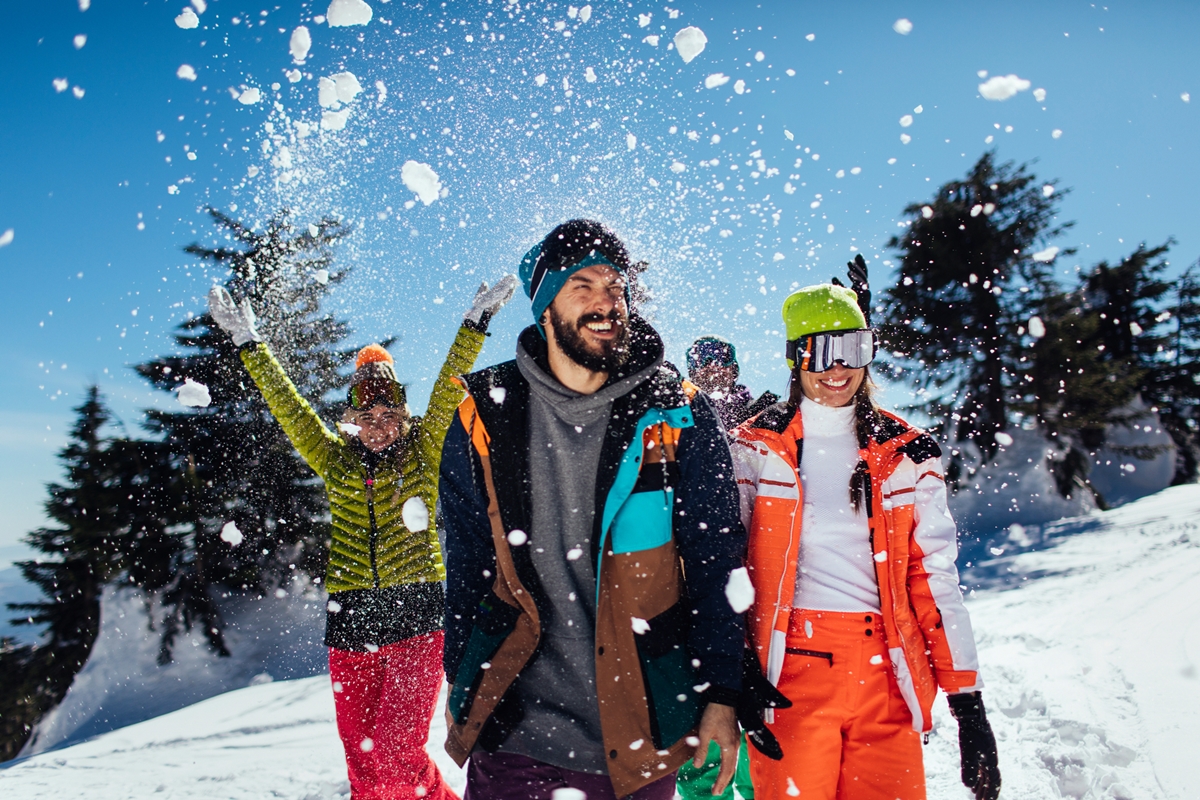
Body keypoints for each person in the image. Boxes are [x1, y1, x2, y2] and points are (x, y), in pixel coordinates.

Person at [437, 219, 747, 800]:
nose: (608, 302)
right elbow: (469, 566)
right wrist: (462, 677)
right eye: (583, 285)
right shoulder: (482, 413)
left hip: (640, 729)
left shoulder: (677, 412)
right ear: (545, 307)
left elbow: (717, 561)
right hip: (513, 738)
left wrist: (724, 693)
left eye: (616, 286)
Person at [208, 275, 517, 800]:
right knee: (366, 774)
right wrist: (248, 343)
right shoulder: (335, 462)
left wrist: (475, 323)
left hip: (414, 613)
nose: (379, 426)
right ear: (352, 421)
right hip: (349, 620)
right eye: (367, 417)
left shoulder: (421, 454)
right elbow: (289, 407)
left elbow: (448, 385)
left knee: (396, 762)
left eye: (389, 415)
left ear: (402, 415)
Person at [728, 274, 1001, 800]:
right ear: (796, 357)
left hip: (887, 674)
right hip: (791, 672)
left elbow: (934, 579)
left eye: (854, 347)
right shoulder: (756, 451)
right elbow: (725, 566)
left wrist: (969, 707)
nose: (839, 367)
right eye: (822, 349)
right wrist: (736, 665)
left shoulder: (906, 454)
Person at [685, 335, 779, 430]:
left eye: (722, 356)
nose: (712, 365)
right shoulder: (680, 414)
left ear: (733, 370)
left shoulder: (763, 414)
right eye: (700, 359)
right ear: (692, 373)